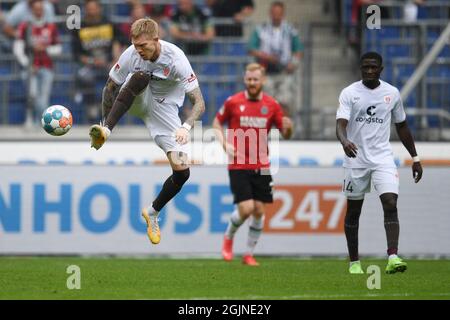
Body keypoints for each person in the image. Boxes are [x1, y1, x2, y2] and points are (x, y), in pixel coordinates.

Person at [88, 18, 205, 245]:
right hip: (138, 97)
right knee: (140, 75)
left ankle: (152, 212)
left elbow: (200, 102)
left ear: (156, 40)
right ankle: (107, 131)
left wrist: (186, 126)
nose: (138, 50)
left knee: (182, 172)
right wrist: (104, 124)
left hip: (165, 111)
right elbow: (110, 87)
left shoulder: (177, 60)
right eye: (135, 45)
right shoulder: (131, 54)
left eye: (143, 46)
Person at [336, 52, 423, 274]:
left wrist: (415, 158)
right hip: (355, 159)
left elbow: (402, 126)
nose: (369, 70)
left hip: (383, 158)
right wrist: (345, 141)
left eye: (373, 67)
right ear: (361, 68)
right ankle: (354, 262)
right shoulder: (349, 93)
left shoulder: (392, 93)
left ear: (380, 69)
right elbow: (340, 124)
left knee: (390, 203)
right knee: (354, 211)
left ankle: (393, 256)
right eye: (365, 67)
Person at [212, 63, 293, 266]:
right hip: (238, 163)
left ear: (263, 80)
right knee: (246, 208)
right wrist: (224, 144)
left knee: (259, 210)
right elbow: (216, 123)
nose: (252, 83)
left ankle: (248, 254)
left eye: (255, 79)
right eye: (249, 79)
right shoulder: (233, 102)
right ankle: (228, 238)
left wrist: (289, 129)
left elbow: (286, 134)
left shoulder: (272, 105)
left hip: (263, 164)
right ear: (245, 79)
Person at [72, 0, 125, 123]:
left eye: (94, 8)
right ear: (86, 9)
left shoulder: (109, 23)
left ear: (99, 9)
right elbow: (76, 54)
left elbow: (122, 41)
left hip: (109, 63)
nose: (92, 11)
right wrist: (91, 61)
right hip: (88, 65)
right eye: (89, 8)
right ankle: (92, 109)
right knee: (85, 78)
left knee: (119, 78)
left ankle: (113, 111)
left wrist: (116, 58)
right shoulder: (80, 27)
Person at [248, 1, 303, 118]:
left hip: (284, 72)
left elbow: (298, 50)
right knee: (266, 103)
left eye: (279, 13)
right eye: (274, 13)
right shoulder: (261, 29)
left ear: (283, 14)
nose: (276, 16)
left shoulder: (290, 30)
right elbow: (251, 48)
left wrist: (293, 64)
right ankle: (268, 130)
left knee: (285, 101)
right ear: (270, 13)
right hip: (266, 72)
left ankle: (283, 129)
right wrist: (265, 56)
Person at [13, 0, 61, 126]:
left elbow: (58, 48)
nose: (38, 11)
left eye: (40, 9)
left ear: (43, 10)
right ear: (32, 10)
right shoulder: (25, 26)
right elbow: (18, 48)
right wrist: (27, 64)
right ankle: (32, 120)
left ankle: (41, 123)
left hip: (46, 66)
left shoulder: (51, 27)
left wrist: (45, 48)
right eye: (36, 9)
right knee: (32, 95)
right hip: (30, 67)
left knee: (43, 97)